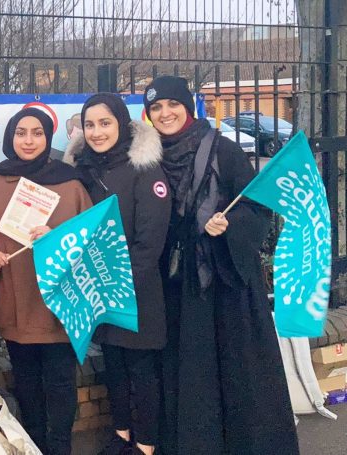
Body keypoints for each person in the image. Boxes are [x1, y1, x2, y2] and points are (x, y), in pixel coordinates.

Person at [143, 75, 300, 454]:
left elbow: (256, 205)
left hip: (225, 285)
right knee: (190, 375)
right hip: (178, 284)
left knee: (237, 372)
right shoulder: (149, 158)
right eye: (156, 108)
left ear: (188, 106)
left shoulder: (223, 150)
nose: (165, 114)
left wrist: (230, 224)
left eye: (172, 105)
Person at [0, 107, 92, 455]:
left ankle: (59, 449)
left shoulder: (70, 183)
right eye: (21, 132)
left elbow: (89, 240)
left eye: (37, 133)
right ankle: (33, 446)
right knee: (26, 385)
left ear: (47, 138)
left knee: (60, 386)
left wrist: (57, 238)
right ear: (11, 137)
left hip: (57, 305)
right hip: (15, 302)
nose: (28, 140)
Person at [72, 93, 171, 455]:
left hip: (137, 291)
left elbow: (150, 241)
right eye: (90, 124)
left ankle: (145, 445)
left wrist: (116, 284)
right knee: (113, 367)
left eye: (105, 123)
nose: (97, 132)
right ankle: (121, 435)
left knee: (141, 372)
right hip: (98, 289)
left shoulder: (144, 168)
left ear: (121, 124)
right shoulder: (81, 171)